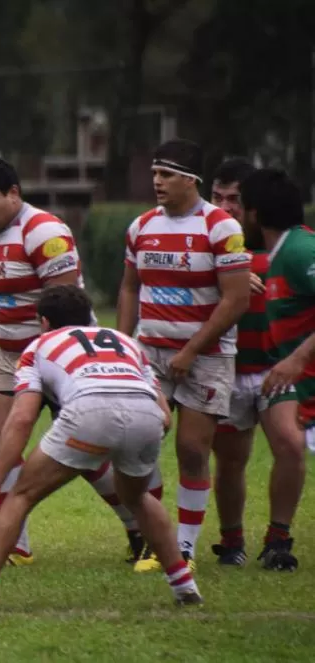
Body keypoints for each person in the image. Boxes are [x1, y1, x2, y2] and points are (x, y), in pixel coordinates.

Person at [0, 285, 202, 611]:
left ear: (43, 322)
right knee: (138, 497)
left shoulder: (37, 346)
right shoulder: (127, 343)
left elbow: (22, 418)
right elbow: (164, 416)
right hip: (146, 416)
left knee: (20, 496)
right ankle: (185, 588)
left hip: (88, 412)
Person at [0, 157, 145, 566]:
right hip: (11, 353)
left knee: (84, 455)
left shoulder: (44, 232)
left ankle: (137, 525)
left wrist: (49, 359)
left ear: (14, 194)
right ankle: (17, 542)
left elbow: (67, 306)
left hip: (62, 354)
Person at [117, 139, 252, 572]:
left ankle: (186, 546)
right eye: (155, 173)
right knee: (137, 445)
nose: (157, 182)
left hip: (207, 357)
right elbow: (130, 287)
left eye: (167, 174)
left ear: (191, 180)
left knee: (192, 449)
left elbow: (235, 301)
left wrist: (192, 350)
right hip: (150, 353)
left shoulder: (222, 229)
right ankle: (159, 540)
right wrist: (124, 345)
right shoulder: (141, 227)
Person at [208, 159, 305, 568]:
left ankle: (278, 539)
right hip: (227, 367)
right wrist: (224, 275)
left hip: (275, 368)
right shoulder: (208, 242)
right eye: (218, 197)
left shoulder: (285, 245)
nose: (226, 207)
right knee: (230, 459)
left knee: (291, 444)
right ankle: (232, 543)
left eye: (235, 199)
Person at [239, 167, 312, 569]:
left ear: (254, 214)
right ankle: (277, 541)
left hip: (301, 377)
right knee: (290, 443)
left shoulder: (301, 251)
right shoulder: (282, 254)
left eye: (240, 208)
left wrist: (298, 357)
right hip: (300, 387)